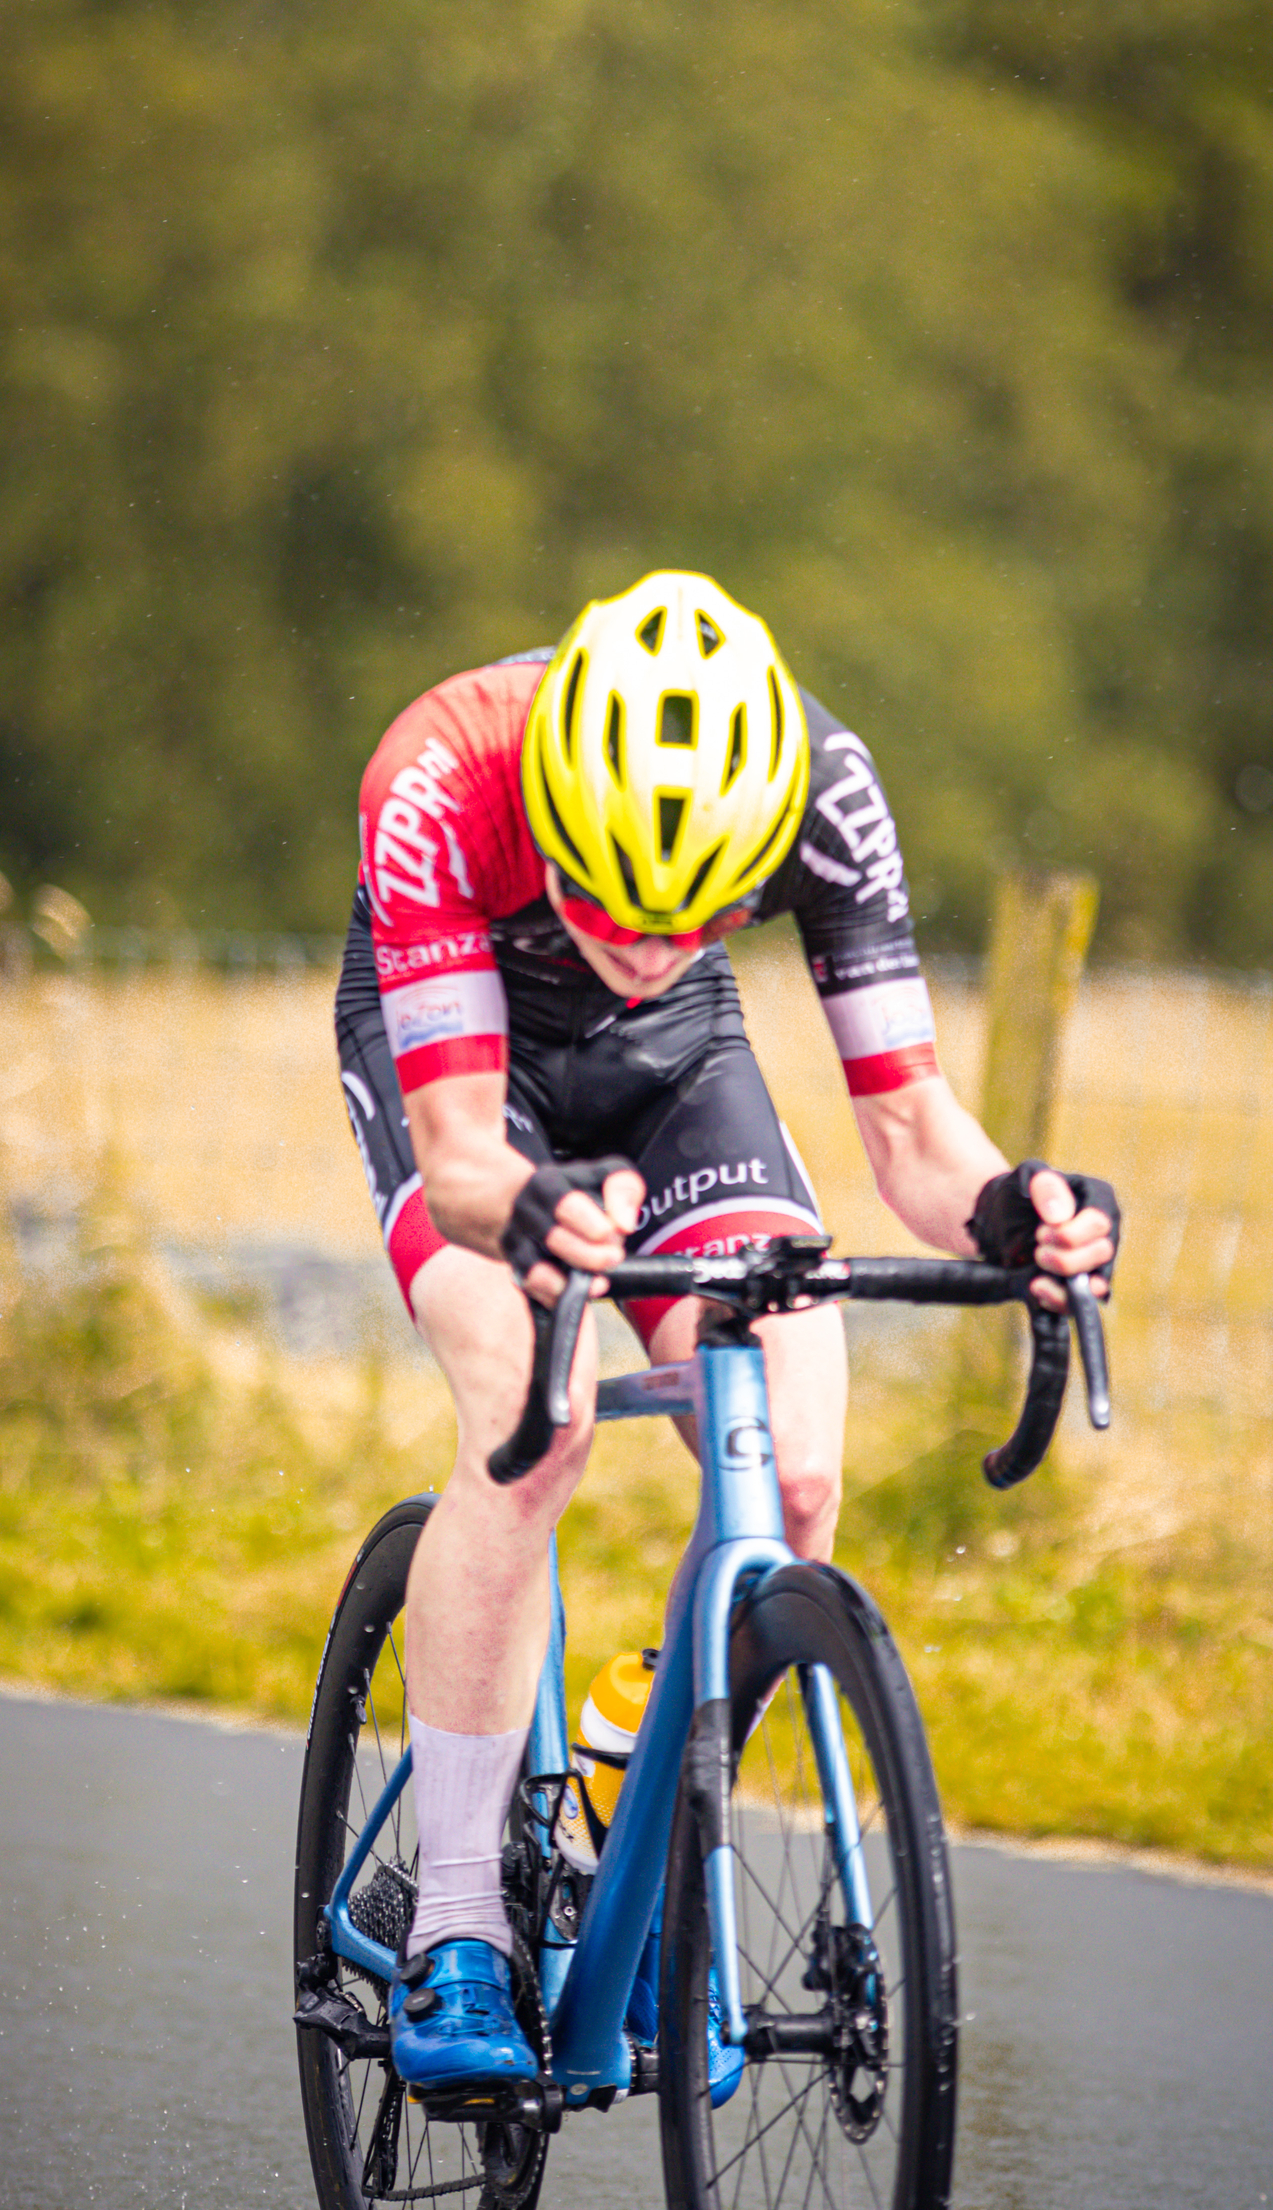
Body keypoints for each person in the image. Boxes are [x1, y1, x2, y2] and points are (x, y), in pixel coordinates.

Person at [336, 570, 1117, 2091]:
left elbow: (910, 1135)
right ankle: (455, 1927)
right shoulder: (439, 774)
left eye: (694, 910)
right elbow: (458, 1155)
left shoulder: (823, 790)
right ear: (552, 816)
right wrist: (542, 1226)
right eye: (612, 895)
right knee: (531, 1410)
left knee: (795, 1473)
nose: (644, 936)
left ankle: (641, 1773)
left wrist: (1019, 1209)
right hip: (468, 1066)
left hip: (682, 1068)